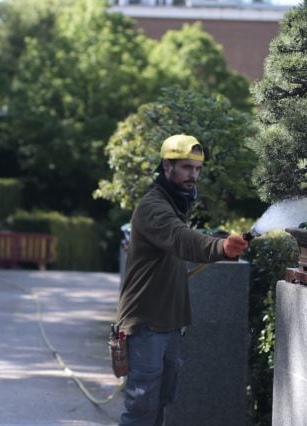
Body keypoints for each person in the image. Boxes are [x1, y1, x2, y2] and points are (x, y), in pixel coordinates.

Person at [116, 134, 248, 425]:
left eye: (198, 169)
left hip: (170, 323)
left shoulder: (175, 203)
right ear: (167, 166)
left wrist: (221, 244)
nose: (194, 175)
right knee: (141, 409)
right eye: (187, 168)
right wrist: (219, 247)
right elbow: (179, 238)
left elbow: (182, 239)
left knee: (161, 402)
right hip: (146, 323)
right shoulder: (153, 206)